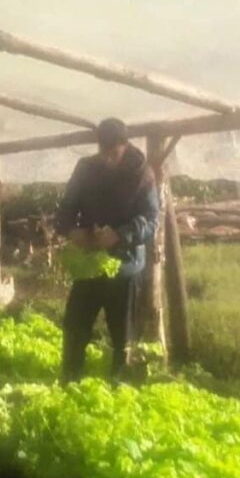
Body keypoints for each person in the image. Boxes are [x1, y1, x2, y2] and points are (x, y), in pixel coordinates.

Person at [55, 118, 159, 383]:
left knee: (121, 334)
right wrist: (71, 230)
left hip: (124, 267)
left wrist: (121, 235)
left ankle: (119, 384)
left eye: (114, 154)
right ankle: (70, 379)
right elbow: (66, 209)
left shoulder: (142, 173)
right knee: (75, 327)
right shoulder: (86, 168)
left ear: (124, 146)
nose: (108, 159)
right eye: (104, 153)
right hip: (89, 262)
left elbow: (151, 220)